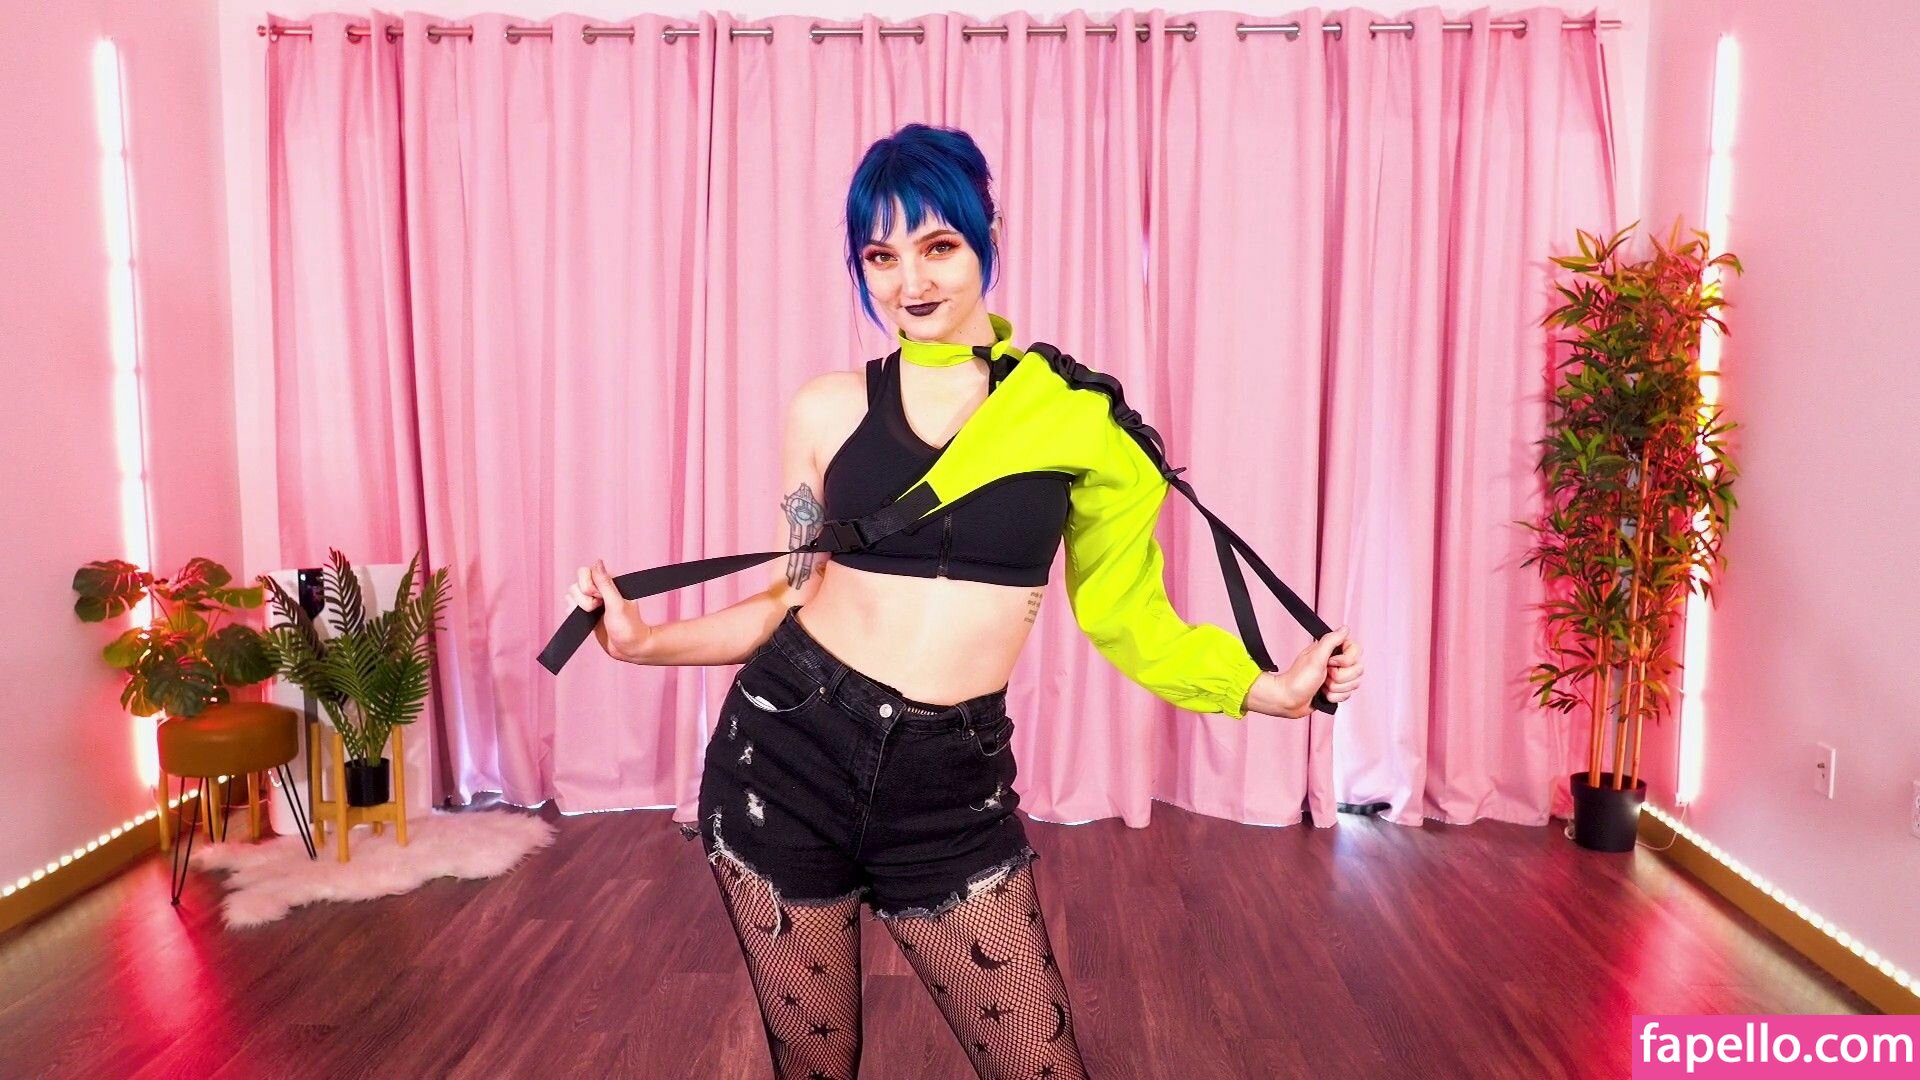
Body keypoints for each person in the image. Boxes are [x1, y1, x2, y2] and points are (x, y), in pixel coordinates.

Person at [565, 123, 1364, 1080]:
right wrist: (642, 641)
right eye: (881, 256)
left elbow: (1127, 613)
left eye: (938, 245)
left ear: (989, 236)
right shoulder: (826, 408)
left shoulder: (1075, 418)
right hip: (785, 757)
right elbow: (790, 594)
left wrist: (1264, 689)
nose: (911, 281)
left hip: (951, 787)